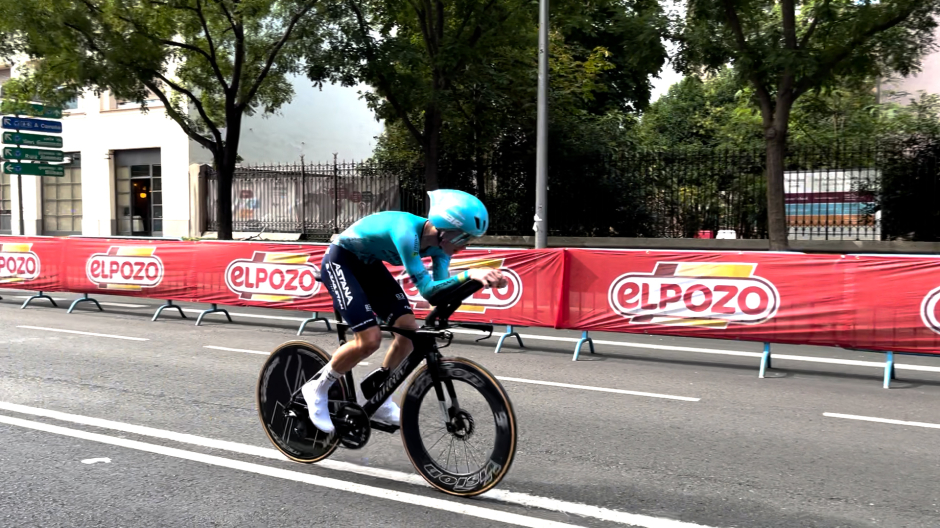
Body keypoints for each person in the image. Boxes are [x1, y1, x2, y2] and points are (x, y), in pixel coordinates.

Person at [301, 189, 506, 434]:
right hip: (341, 260)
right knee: (369, 339)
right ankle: (318, 386)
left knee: (409, 333)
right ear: (445, 229)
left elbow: (439, 295)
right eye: (464, 239)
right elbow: (429, 290)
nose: (465, 246)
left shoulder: (440, 249)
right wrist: (470, 274)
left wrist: (480, 281)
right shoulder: (406, 232)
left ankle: (380, 395)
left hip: (369, 266)